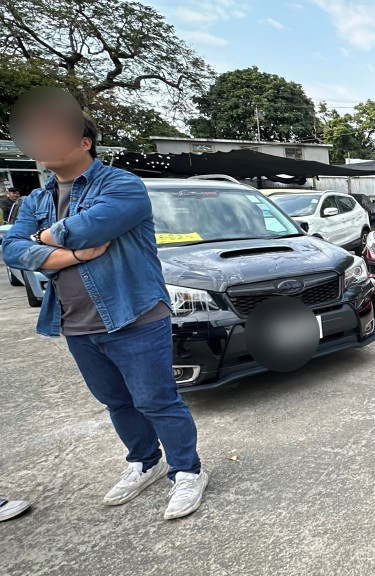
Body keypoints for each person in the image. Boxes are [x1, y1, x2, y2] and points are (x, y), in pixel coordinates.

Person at [1, 101, 208, 521]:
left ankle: (187, 471)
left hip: (134, 314)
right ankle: (145, 461)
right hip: (75, 320)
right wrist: (68, 256)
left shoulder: (122, 185)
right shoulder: (36, 198)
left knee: (157, 399)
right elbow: (10, 248)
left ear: (83, 141)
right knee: (116, 401)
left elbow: (88, 229)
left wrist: (43, 240)